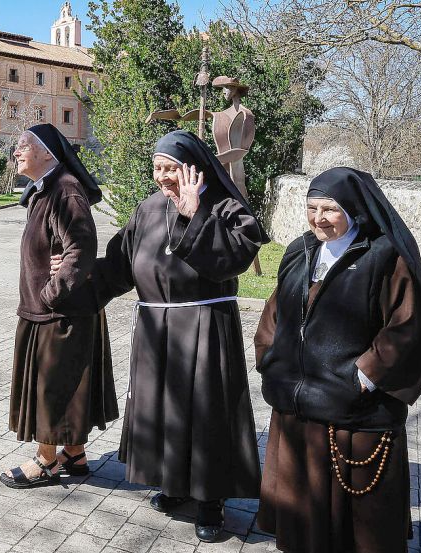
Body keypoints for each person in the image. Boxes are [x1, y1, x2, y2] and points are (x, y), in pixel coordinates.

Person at [54, 129, 268, 541]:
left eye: (172, 168)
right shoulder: (148, 209)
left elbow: (235, 260)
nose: (164, 177)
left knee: (204, 416)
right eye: (158, 168)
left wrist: (194, 216)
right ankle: (172, 484)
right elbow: (117, 267)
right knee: (166, 412)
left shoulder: (224, 207)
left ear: (195, 169)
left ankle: (210, 501)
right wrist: (72, 280)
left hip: (203, 330)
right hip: (155, 330)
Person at [254, 167, 421, 552]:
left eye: (330, 209)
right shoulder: (300, 250)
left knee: (357, 530)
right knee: (304, 520)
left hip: (353, 411)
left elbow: (408, 325)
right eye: (312, 208)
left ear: (354, 209)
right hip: (297, 407)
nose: (319, 218)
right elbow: (277, 311)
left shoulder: (385, 257)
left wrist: (366, 377)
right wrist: (269, 357)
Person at [0, 123, 118, 489]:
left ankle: (47, 460)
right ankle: (75, 453)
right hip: (53, 312)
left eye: (22, 146)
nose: (15, 153)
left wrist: (51, 293)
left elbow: (80, 249)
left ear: (47, 152)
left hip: (60, 313)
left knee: (52, 387)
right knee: (66, 385)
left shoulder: (64, 190)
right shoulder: (47, 190)